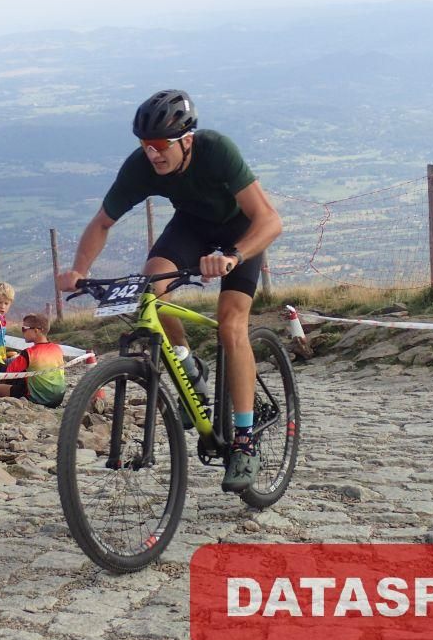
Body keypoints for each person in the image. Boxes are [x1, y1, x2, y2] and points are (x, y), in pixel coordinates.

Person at [57, 89, 282, 493]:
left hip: (241, 232)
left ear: (187, 140)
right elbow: (102, 222)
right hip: (191, 227)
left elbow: (269, 219)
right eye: (146, 145)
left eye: (161, 145)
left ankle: (245, 440)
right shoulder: (141, 166)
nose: (153, 154)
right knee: (152, 291)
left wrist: (232, 256)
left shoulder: (216, 150)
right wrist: (79, 270)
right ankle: (187, 364)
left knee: (230, 325)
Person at [0, 313, 66, 408]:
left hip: (38, 399)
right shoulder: (57, 348)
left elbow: (6, 374)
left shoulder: (28, 353)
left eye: (24, 328)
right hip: (58, 399)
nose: (23, 332)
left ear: (36, 331)